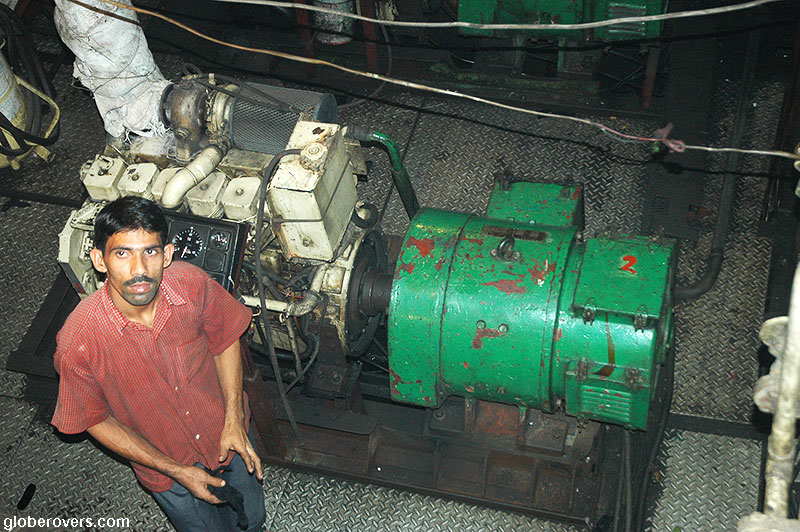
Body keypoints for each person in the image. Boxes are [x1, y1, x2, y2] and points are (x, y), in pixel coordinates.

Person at [51, 196, 267, 532]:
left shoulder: (191, 284)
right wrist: (175, 470)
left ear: (167, 255)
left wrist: (234, 420)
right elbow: (93, 419)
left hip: (229, 438)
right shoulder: (78, 342)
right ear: (99, 260)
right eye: (122, 254)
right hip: (166, 471)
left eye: (150, 251)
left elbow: (225, 339)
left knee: (252, 518)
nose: (139, 269)